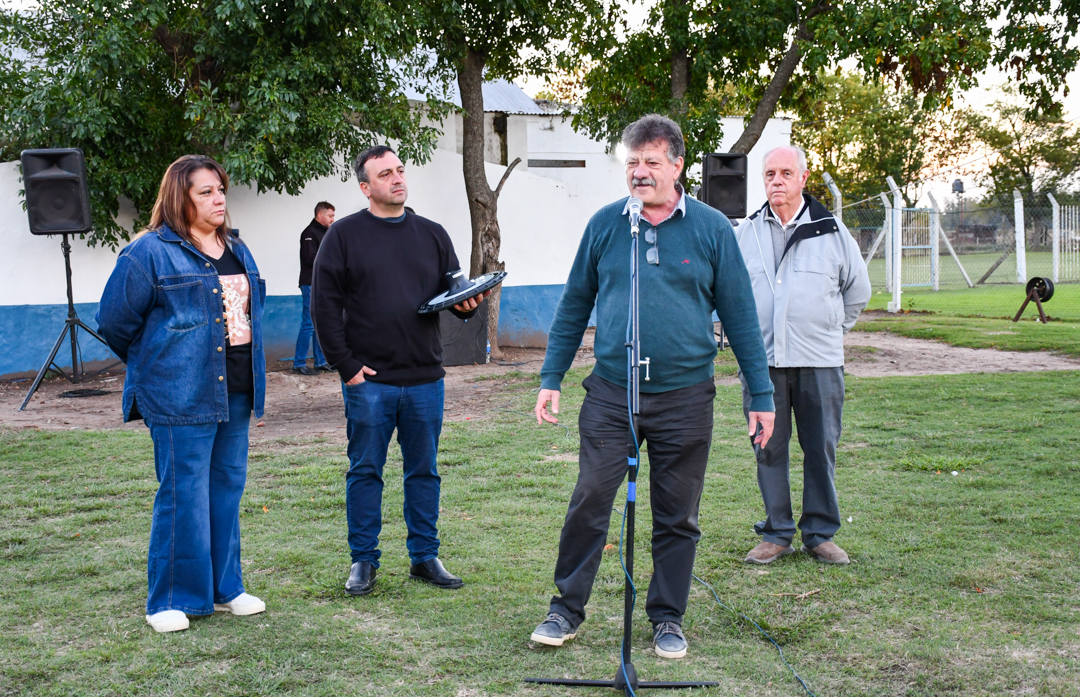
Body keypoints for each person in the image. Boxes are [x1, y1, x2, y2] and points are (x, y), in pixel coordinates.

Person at [531, 114, 776, 660]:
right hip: (612, 393)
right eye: (632, 162)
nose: (640, 172)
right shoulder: (606, 225)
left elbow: (740, 315)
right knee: (590, 498)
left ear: (678, 166)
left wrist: (761, 395)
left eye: (651, 162)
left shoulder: (712, 228)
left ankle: (667, 616)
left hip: (686, 397)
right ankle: (565, 609)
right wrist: (552, 376)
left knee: (677, 513)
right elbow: (574, 305)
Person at [96, 155, 267, 633]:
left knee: (226, 489)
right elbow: (113, 322)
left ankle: (225, 588)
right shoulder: (148, 252)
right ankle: (170, 599)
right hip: (179, 393)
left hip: (236, 389)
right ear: (180, 198)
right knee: (182, 493)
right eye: (205, 192)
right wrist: (159, 362)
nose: (218, 199)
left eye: (220, 189)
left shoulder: (238, 247)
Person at [311, 145, 488, 597]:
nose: (397, 178)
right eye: (385, 174)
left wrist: (468, 305)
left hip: (426, 377)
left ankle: (425, 557)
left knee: (424, 471)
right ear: (365, 187)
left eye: (400, 170)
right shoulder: (343, 236)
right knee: (365, 470)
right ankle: (363, 561)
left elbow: (454, 294)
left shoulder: (432, 234)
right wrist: (346, 365)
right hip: (370, 381)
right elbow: (324, 306)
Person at [735, 146, 871, 567]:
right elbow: (730, 293)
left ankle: (819, 533)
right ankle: (777, 533)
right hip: (763, 365)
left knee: (820, 447)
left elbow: (858, 291)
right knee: (768, 448)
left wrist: (830, 330)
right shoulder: (746, 233)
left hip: (820, 363)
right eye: (769, 174)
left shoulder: (832, 231)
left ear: (803, 178)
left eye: (785, 173)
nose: (777, 180)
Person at [293, 201, 335, 375]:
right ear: (320, 215)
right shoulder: (309, 233)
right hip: (310, 283)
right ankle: (299, 363)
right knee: (309, 324)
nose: (333, 219)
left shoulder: (327, 232)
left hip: (322, 284)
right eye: (330, 216)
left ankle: (321, 361)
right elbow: (311, 258)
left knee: (320, 323)